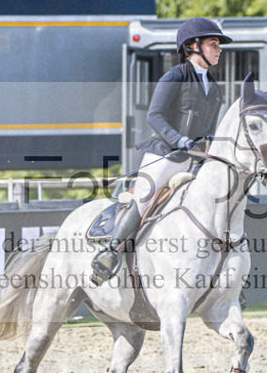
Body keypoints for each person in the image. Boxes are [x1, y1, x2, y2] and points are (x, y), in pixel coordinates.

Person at [90, 17, 231, 286]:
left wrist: (211, 152)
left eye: (218, 44)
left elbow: (210, 130)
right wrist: (180, 140)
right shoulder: (175, 75)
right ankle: (110, 253)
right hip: (166, 155)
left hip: (195, 161)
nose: (219, 49)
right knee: (145, 196)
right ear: (194, 46)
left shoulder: (215, 88)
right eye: (214, 43)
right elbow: (154, 116)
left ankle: (224, 270)